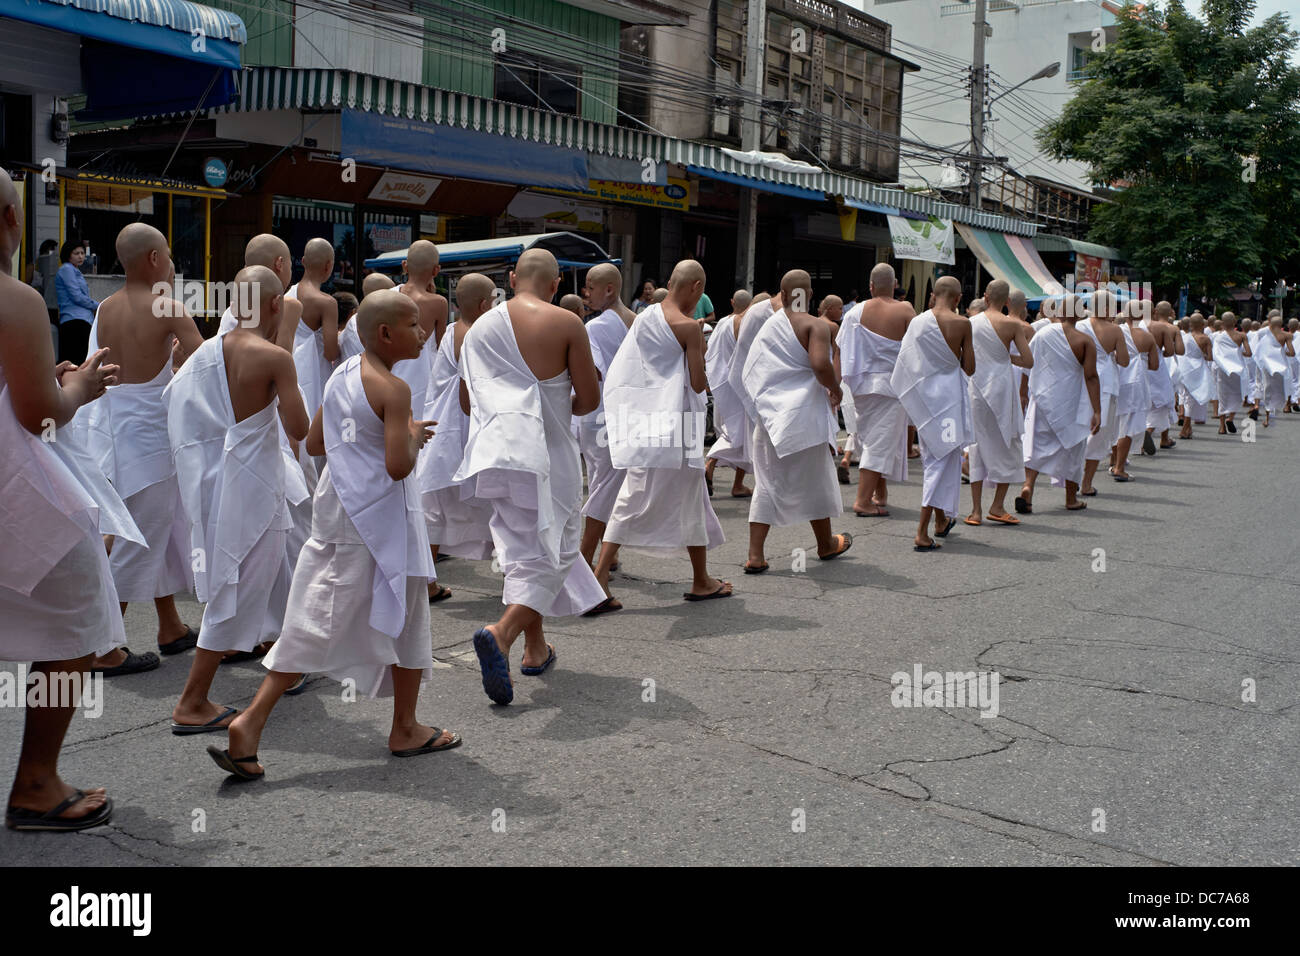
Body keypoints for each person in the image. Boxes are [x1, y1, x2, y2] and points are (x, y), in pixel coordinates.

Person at [208, 289, 460, 780]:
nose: (424, 331)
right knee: (353, 621)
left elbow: (318, 441)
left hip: (340, 511)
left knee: (325, 620)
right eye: (414, 324)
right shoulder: (394, 390)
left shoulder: (343, 373)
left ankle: (404, 725)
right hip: (379, 521)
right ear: (385, 333)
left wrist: (379, 438)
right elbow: (396, 467)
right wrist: (410, 434)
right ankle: (255, 721)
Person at [0, 169, 122, 831]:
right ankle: (37, 782)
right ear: (11, 221)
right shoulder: (14, 297)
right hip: (11, 492)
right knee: (77, 606)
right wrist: (82, 391)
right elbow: (41, 416)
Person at [456, 249, 606, 705]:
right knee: (558, 546)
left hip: (500, 453)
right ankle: (502, 633)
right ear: (557, 282)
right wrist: (554, 406)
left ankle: (534, 648)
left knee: (524, 548)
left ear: (511, 277)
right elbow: (590, 398)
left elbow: (468, 405)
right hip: (549, 450)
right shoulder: (566, 323)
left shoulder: (478, 329)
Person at [164, 266, 309, 734]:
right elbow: (300, 427)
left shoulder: (205, 351)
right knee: (236, 592)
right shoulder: (274, 357)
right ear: (273, 305)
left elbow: (178, 402)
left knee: (278, 578)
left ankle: (284, 662)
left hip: (221, 484)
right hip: (255, 488)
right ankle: (192, 700)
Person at [75, 224, 204, 674]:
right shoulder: (170, 308)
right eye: (168, 255)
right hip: (152, 441)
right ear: (153, 259)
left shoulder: (104, 308)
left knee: (160, 532)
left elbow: (102, 367)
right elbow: (205, 370)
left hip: (116, 434)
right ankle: (103, 647)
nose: (171, 263)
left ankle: (170, 626)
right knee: (138, 540)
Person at [594, 259, 730, 606]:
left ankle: (700, 578)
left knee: (649, 496)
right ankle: (599, 580)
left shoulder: (647, 317)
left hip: (647, 419)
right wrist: (700, 353)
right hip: (680, 425)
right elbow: (698, 384)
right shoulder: (688, 327)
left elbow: (633, 369)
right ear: (697, 287)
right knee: (672, 498)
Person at [743, 270, 851, 570]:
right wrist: (835, 388)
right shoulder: (815, 324)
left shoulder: (770, 327)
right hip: (803, 417)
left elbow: (753, 368)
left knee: (767, 482)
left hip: (770, 418)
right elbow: (819, 364)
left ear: (783, 295)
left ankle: (755, 555)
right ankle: (826, 543)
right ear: (810, 295)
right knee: (815, 481)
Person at [416, 274, 496, 600]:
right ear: (483, 304)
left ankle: (426, 583)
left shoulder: (451, 329)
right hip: (457, 435)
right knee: (501, 505)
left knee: (433, 509)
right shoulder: (473, 337)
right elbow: (467, 400)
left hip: (441, 433)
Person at [891, 275, 974, 550]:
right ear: (958, 298)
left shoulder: (918, 321)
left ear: (933, 294)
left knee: (936, 459)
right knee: (941, 464)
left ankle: (940, 522)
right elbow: (970, 367)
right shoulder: (962, 323)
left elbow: (907, 362)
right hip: (948, 402)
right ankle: (921, 531)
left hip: (925, 401)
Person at [839, 263, 914, 518]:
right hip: (890, 387)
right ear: (894, 285)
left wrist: (836, 387)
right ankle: (862, 501)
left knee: (873, 440)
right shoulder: (905, 309)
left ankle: (878, 494)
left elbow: (841, 350)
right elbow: (915, 350)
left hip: (861, 386)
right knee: (880, 444)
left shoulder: (854, 313)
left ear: (870, 286)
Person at [1016, 294, 1101, 513]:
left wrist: (1023, 392)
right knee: (1073, 447)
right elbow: (1091, 376)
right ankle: (1071, 498)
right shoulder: (1084, 340)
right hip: (1070, 402)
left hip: (1042, 398)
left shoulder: (1042, 334)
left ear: (1060, 312)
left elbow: (1028, 364)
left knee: (1035, 447)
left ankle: (1027, 487)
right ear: (1080, 314)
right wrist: (1097, 410)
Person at [575, 263, 633, 572]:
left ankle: (587, 556)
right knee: (610, 483)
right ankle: (598, 553)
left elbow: (591, 372)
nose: (587, 293)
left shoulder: (594, 327)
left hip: (598, 414)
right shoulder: (637, 322)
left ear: (608, 289)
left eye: (590, 286)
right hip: (625, 414)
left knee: (604, 483)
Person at [964, 280, 1032, 525]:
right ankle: (997, 505)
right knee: (1008, 443)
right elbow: (1028, 360)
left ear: (985, 296)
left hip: (976, 386)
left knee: (978, 445)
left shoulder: (970, 323)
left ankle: (975, 511)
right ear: (1006, 302)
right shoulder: (1012, 324)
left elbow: (962, 356)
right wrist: (1006, 356)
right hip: (1002, 387)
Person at [1076, 290, 1129, 497]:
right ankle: (1086, 483)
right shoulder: (1115, 330)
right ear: (1107, 308)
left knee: (1080, 429)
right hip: (1105, 383)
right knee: (1099, 435)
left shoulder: (1079, 326)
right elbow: (1124, 361)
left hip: (1081, 380)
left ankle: (1072, 477)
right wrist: (1112, 354)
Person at [704, 288, 754, 497]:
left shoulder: (722, 323)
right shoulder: (746, 323)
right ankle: (709, 464)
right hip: (741, 384)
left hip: (722, 384)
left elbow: (710, 354)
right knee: (738, 432)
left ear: (732, 302)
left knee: (739, 432)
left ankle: (738, 484)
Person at [393, 241, 448, 420]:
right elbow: (442, 349)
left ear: (404, 266)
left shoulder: (387, 296)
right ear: (435, 271)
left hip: (389, 378)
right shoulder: (439, 303)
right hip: (423, 384)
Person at [290, 237, 340, 424]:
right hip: (316, 376)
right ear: (328, 266)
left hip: (292, 371)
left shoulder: (288, 295)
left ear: (303, 261)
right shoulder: (326, 303)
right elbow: (330, 352)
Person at [1111, 302, 1157, 480]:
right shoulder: (1147, 337)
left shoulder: (1116, 331)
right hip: (1137, 384)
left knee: (1115, 424)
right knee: (1128, 427)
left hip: (1117, 381)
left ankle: (1114, 461)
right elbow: (1154, 365)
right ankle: (1119, 468)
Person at [1142, 301, 1183, 451]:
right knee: (1163, 401)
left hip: (1138, 367)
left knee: (1144, 403)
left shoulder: (1131, 327)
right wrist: (1160, 353)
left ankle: (1164, 439)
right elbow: (1173, 351)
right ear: (1154, 312)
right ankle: (1148, 431)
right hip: (1157, 367)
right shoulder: (1162, 327)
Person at [55, 240, 98, 365]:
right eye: (76, 253)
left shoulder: (74, 270)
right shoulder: (66, 269)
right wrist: (99, 305)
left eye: (82, 253)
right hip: (74, 322)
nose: (80, 256)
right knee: (76, 362)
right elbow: (77, 296)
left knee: (81, 361)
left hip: (82, 321)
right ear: (68, 254)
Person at [1212, 311, 1250, 435]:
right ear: (1235, 322)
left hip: (1223, 370)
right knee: (1236, 395)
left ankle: (1222, 427)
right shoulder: (1242, 336)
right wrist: (1238, 353)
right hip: (1237, 369)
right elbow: (1249, 353)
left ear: (1222, 323)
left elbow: (1216, 354)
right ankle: (1230, 418)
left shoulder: (1217, 336)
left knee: (1222, 396)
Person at [1177, 314, 1214, 437]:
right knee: (1191, 399)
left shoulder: (1184, 337)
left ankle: (1187, 428)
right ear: (1203, 325)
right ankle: (1185, 428)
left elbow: (1180, 353)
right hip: (1198, 369)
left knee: (1187, 398)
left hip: (1185, 368)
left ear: (1190, 325)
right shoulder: (1205, 339)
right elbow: (1210, 357)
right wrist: (1201, 355)